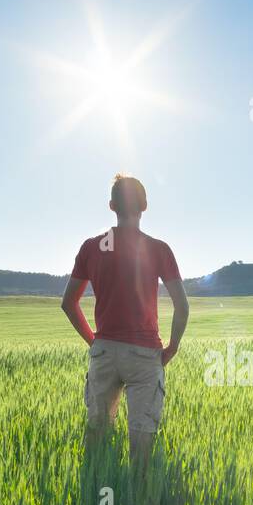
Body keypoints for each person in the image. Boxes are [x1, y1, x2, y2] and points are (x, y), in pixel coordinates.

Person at [61, 174, 189, 463]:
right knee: (142, 444)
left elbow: (68, 303)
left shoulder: (91, 248)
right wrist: (173, 347)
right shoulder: (159, 249)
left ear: (111, 206)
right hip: (145, 354)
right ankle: (140, 498)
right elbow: (182, 305)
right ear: (144, 206)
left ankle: (98, 499)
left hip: (104, 351)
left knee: (98, 437)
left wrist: (94, 341)